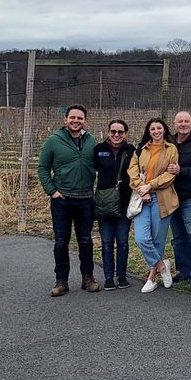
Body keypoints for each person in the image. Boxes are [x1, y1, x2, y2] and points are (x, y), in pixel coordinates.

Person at [37, 105, 99, 297]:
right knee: (61, 241)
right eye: (72, 117)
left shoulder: (91, 141)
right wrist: (52, 191)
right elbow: (43, 168)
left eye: (80, 118)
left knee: (86, 241)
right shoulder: (53, 142)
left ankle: (87, 278)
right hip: (62, 200)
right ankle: (61, 281)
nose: (76, 121)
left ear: (85, 121)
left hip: (86, 199)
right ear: (65, 120)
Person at [127, 118, 180, 293]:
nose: (156, 131)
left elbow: (170, 175)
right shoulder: (141, 149)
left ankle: (151, 278)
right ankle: (162, 265)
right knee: (141, 238)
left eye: (159, 128)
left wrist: (150, 185)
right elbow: (132, 171)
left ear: (164, 130)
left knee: (158, 240)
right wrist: (141, 188)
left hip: (162, 199)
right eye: (153, 129)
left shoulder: (171, 149)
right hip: (143, 199)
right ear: (148, 132)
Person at [93, 119, 135, 290]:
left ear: (126, 133)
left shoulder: (131, 150)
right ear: (108, 132)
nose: (116, 135)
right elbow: (92, 170)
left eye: (120, 132)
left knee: (123, 241)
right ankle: (109, 277)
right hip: (105, 203)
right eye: (113, 131)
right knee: (107, 241)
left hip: (124, 202)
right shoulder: (98, 150)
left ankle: (122, 275)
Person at [167, 111, 191, 283]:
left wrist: (181, 171)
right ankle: (183, 271)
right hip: (172, 198)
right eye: (180, 121)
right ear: (174, 124)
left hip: (190, 198)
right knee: (178, 239)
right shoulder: (168, 143)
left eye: (186, 121)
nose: (183, 124)